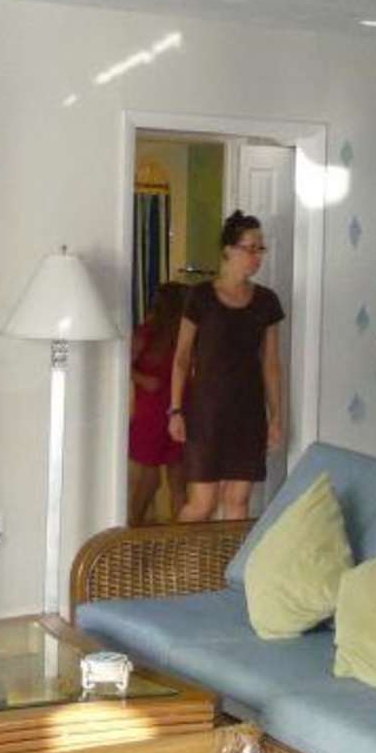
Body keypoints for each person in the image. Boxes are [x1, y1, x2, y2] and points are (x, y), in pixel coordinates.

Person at [169, 211, 284, 521]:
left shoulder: (267, 301)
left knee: (238, 501)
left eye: (261, 249)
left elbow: (271, 364)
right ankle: (176, 554)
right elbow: (182, 358)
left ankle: (229, 556)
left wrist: (276, 416)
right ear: (228, 250)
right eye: (250, 248)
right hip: (206, 412)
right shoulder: (200, 297)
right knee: (202, 504)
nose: (257, 256)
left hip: (248, 413)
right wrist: (175, 410)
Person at [126, 281, 188, 525]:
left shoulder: (184, 335)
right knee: (153, 479)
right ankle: (134, 527)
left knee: (175, 479)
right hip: (153, 411)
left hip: (175, 409)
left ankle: (175, 535)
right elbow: (122, 366)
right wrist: (144, 380)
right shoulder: (146, 333)